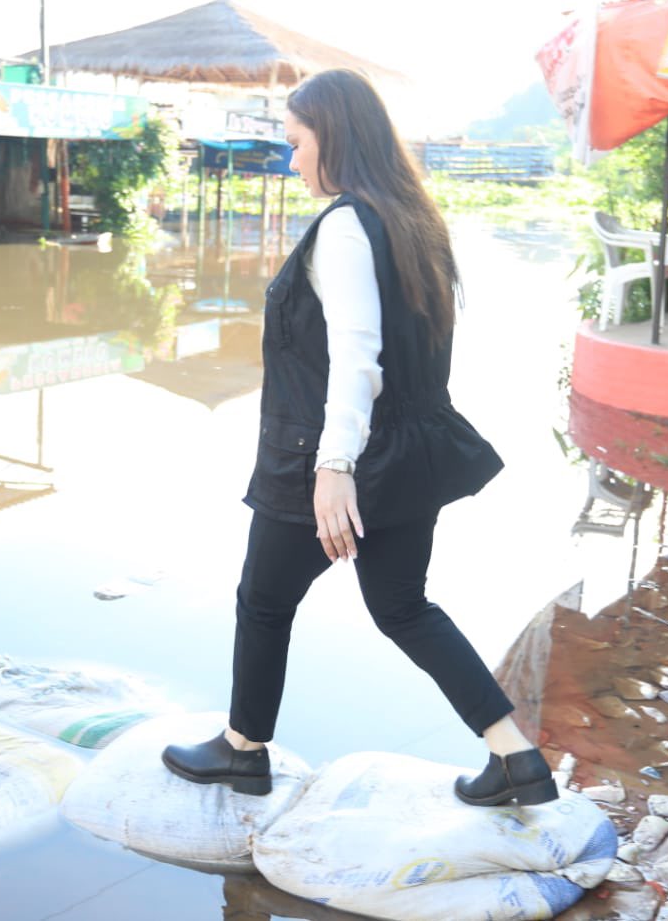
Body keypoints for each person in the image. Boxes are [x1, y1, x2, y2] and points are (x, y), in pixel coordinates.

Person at [161, 69, 557, 807]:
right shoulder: (415, 220)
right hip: (411, 449)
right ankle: (516, 758)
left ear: (332, 138)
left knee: (264, 600)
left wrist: (332, 467)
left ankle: (244, 750)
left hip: (331, 456)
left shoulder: (345, 226)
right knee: (404, 608)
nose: (291, 160)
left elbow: (356, 355)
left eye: (296, 142)